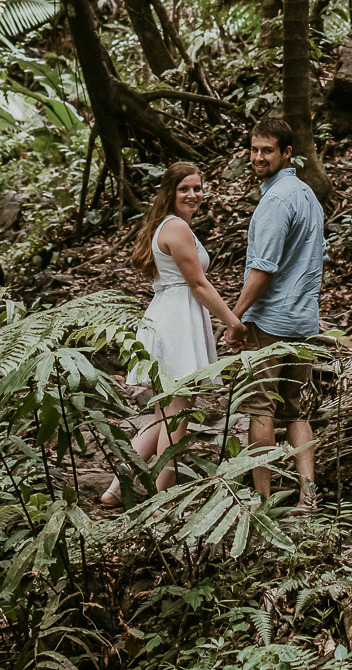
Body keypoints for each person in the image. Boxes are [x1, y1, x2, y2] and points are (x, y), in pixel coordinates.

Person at [101, 159, 246, 505]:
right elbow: (198, 283)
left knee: (164, 413)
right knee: (178, 412)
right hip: (177, 321)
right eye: (185, 189)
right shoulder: (177, 228)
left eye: (197, 188)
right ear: (170, 192)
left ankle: (114, 490)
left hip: (170, 315)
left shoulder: (168, 225)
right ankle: (160, 501)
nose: (193, 194)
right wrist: (232, 321)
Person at [224, 115, 327, 509]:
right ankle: (308, 498)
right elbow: (318, 257)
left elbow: (262, 268)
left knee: (260, 407)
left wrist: (236, 319)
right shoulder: (308, 196)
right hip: (303, 320)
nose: (258, 157)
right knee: (297, 410)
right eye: (254, 149)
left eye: (267, 150)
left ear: (287, 153)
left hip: (269, 321)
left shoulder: (276, 200)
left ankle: (261, 500)